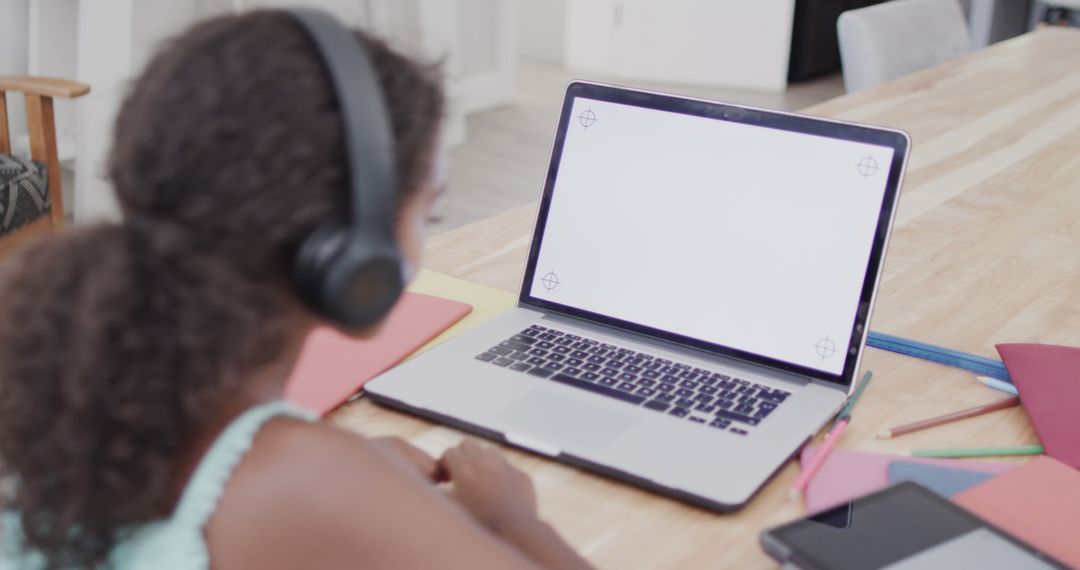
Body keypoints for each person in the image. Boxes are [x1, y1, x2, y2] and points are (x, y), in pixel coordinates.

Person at [0, 10, 593, 570]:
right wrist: (513, 520)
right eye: (428, 214)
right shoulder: (308, 480)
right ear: (352, 245)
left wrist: (347, 484)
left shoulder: (63, 373)